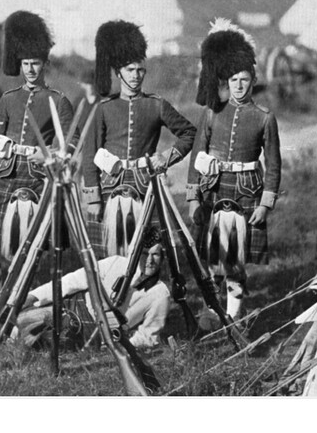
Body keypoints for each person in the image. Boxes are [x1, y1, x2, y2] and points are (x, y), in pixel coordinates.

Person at [0, 11, 74, 313]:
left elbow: (71, 139)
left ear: (45, 64)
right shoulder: (8, 99)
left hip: (37, 180)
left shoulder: (58, 100)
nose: (30, 69)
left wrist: (54, 153)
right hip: (5, 178)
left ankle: (19, 300)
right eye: (26, 63)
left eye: (35, 63)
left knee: (29, 246)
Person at [185, 19, 282, 320]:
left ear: (253, 81)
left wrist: (266, 204)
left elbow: (274, 163)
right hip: (214, 190)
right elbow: (196, 155)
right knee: (213, 259)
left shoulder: (265, 118)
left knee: (236, 262)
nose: (239, 86)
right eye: (234, 80)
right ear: (227, 81)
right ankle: (210, 317)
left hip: (247, 192)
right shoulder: (212, 113)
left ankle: (233, 318)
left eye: (245, 80)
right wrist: (192, 197)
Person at [83, 20, 196, 257]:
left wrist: (166, 158)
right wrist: (93, 198)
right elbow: (90, 154)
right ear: (118, 73)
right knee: (106, 256)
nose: (136, 76)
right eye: (129, 70)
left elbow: (189, 133)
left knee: (150, 252)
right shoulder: (104, 108)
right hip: (109, 187)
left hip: (147, 188)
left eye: (140, 70)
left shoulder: (156, 105)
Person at [16, 228, 173, 350]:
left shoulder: (160, 294)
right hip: (75, 305)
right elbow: (72, 281)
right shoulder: (116, 262)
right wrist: (34, 296)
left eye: (156, 255)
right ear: (137, 252)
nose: (150, 260)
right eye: (145, 253)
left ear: (163, 257)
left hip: (94, 331)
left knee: (34, 338)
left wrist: (119, 345)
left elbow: (148, 336)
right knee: (21, 317)